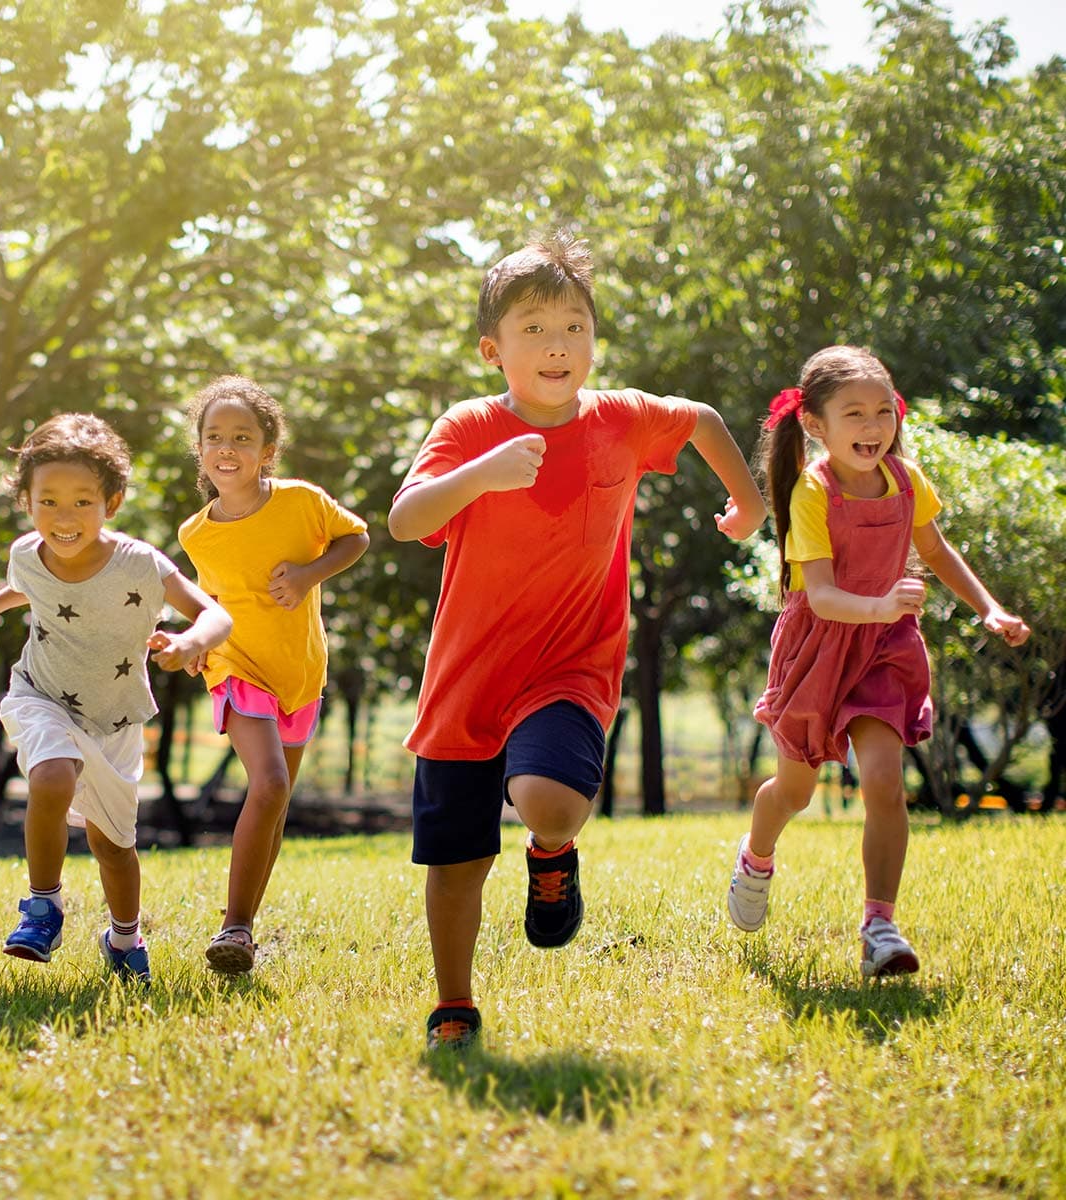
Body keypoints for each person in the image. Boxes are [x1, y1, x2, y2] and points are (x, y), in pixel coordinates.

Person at [386, 232, 766, 1050]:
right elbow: (405, 518)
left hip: (569, 666)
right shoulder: (468, 426)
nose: (558, 345)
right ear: (494, 350)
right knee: (455, 863)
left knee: (552, 800)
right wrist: (478, 475)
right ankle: (455, 1004)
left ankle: (551, 852)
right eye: (534, 329)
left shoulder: (621, 420)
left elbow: (699, 419)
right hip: (465, 680)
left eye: (574, 327)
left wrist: (750, 504)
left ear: (594, 340)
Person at [726, 345, 1029, 976]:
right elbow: (826, 595)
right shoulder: (814, 491)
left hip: (885, 649)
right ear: (815, 424)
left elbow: (937, 552)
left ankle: (879, 926)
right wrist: (885, 602)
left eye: (882, 412)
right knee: (795, 792)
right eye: (854, 414)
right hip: (821, 648)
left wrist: (989, 608)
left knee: (885, 784)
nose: (872, 428)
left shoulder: (907, 478)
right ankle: (756, 856)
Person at [0, 413, 231, 983]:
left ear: (113, 501)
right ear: (26, 502)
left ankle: (124, 938)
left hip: (116, 716)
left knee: (113, 846)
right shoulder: (25, 554)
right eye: (48, 502)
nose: (64, 517)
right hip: (42, 693)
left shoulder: (139, 563)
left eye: (83, 502)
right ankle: (42, 906)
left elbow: (215, 613)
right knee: (53, 774)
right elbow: (27, 587)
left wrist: (189, 642)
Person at [177, 376, 369, 974]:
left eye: (242, 436)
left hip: (300, 670)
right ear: (201, 450)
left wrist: (311, 573)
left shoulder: (301, 501)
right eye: (214, 437)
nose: (226, 447)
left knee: (276, 798)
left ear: (268, 450)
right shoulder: (195, 533)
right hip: (235, 666)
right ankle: (233, 925)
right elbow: (204, 599)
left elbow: (356, 536)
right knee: (270, 785)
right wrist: (191, 643)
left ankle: (244, 934)